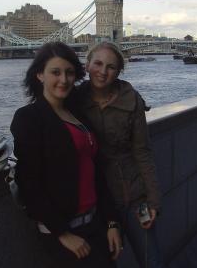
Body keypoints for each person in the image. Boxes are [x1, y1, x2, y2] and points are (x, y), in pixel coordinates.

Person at [10, 42, 122, 268]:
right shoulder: (29, 118)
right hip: (64, 233)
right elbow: (28, 183)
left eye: (70, 73)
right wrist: (63, 234)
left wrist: (112, 222)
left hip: (95, 223)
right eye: (55, 72)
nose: (64, 80)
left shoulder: (77, 115)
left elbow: (96, 172)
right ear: (40, 74)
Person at [77, 42, 164, 268]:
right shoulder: (74, 100)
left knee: (151, 260)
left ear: (118, 72)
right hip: (96, 202)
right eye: (97, 63)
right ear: (87, 65)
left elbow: (142, 151)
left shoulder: (131, 100)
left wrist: (153, 201)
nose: (103, 71)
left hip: (134, 197)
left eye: (111, 67)